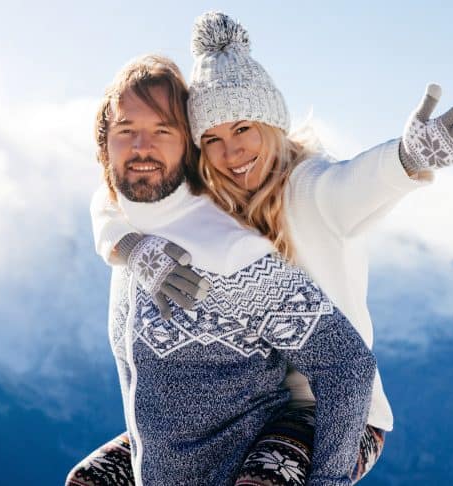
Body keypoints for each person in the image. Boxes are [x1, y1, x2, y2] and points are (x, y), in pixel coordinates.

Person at [73, 10, 453, 486]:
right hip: (260, 402)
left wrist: (405, 158)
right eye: (212, 138)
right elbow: (112, 199)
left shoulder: (311, 191)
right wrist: (129, 245)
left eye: (243, 129)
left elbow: (355, 185)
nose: (232, 152)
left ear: (270, 124)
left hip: (337, 409)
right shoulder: (209, 196)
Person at [67, 50, 378, 486]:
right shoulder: (127, 226)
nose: (142, 147)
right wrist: (130, 247)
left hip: (252, 462)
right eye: (126, 130)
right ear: (104, 143)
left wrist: (328, 480)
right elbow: (107, 199)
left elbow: (347, 365)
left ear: (188, 144)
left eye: (163, 130)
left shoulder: (230, 253)